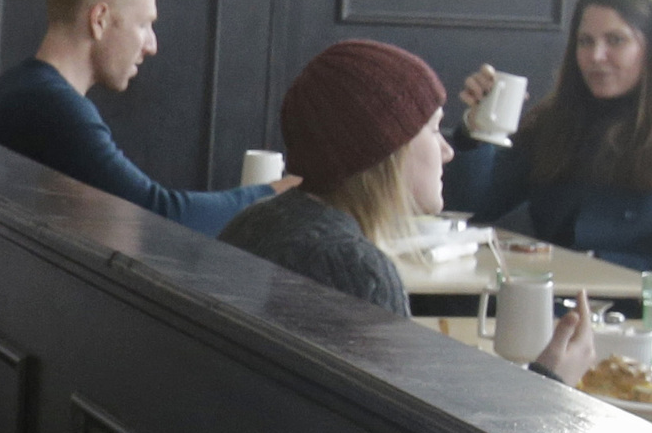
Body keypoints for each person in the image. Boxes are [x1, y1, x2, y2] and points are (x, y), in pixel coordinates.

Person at [222, 38, 595, 380]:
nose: (448, 151)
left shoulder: (256, 221)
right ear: (388, 151)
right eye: (433, 131)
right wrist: (549, 378)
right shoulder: (353, 268)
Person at [0, 0, 293, 233]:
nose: (152, 45)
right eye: (143, 25)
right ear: (99, 20)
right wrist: (276, 193)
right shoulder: (50, 105)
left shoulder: (19, 87)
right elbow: (158, 216)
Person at [445, 0, 652, 270]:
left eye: (616, 40)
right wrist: (482, 126)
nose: (596, 56)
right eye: (585, 41)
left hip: (640, 311)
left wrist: (592, 264)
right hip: (550, 297)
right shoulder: (561, 117)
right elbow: (470, 207)